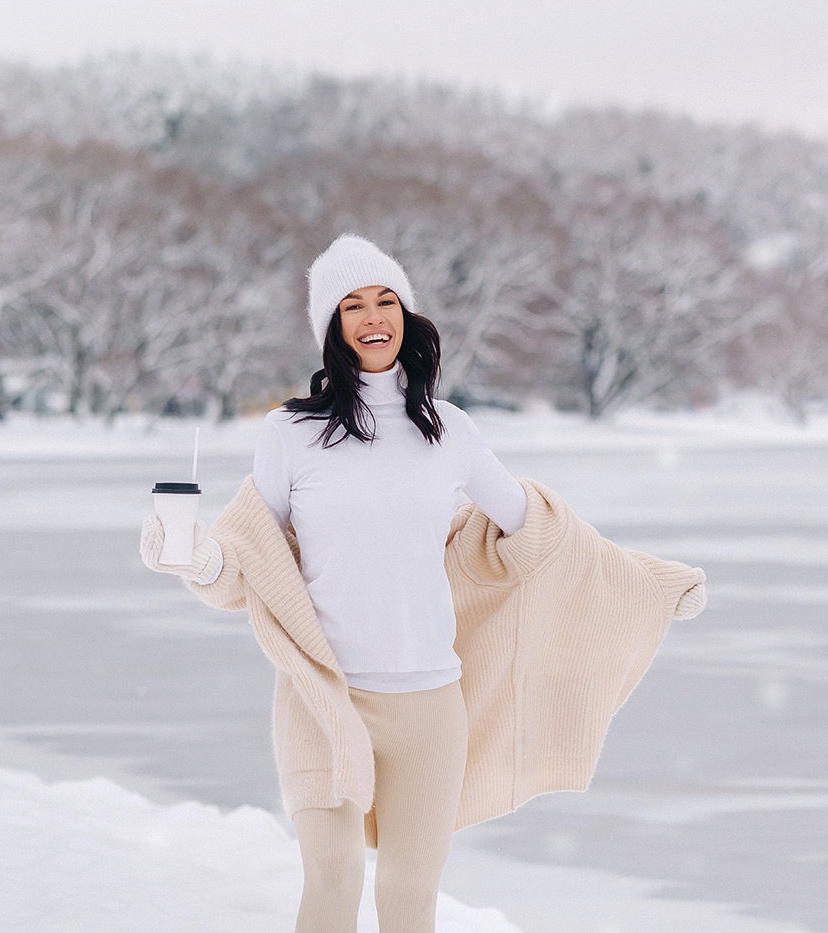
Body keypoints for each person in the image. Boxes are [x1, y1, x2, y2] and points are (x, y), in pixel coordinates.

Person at [140, 234, 706, 933]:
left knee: (409, 897)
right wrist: (195, 556)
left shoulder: (450, 432)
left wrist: (646, 582)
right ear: (330, 327)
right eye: (352, 304)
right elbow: (250, 556)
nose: (373, 316)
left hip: (431, 707)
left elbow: (542, 533)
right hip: (324, 697)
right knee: (334, 874)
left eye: (386, 301)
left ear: (407, 317)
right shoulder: (290, 434)